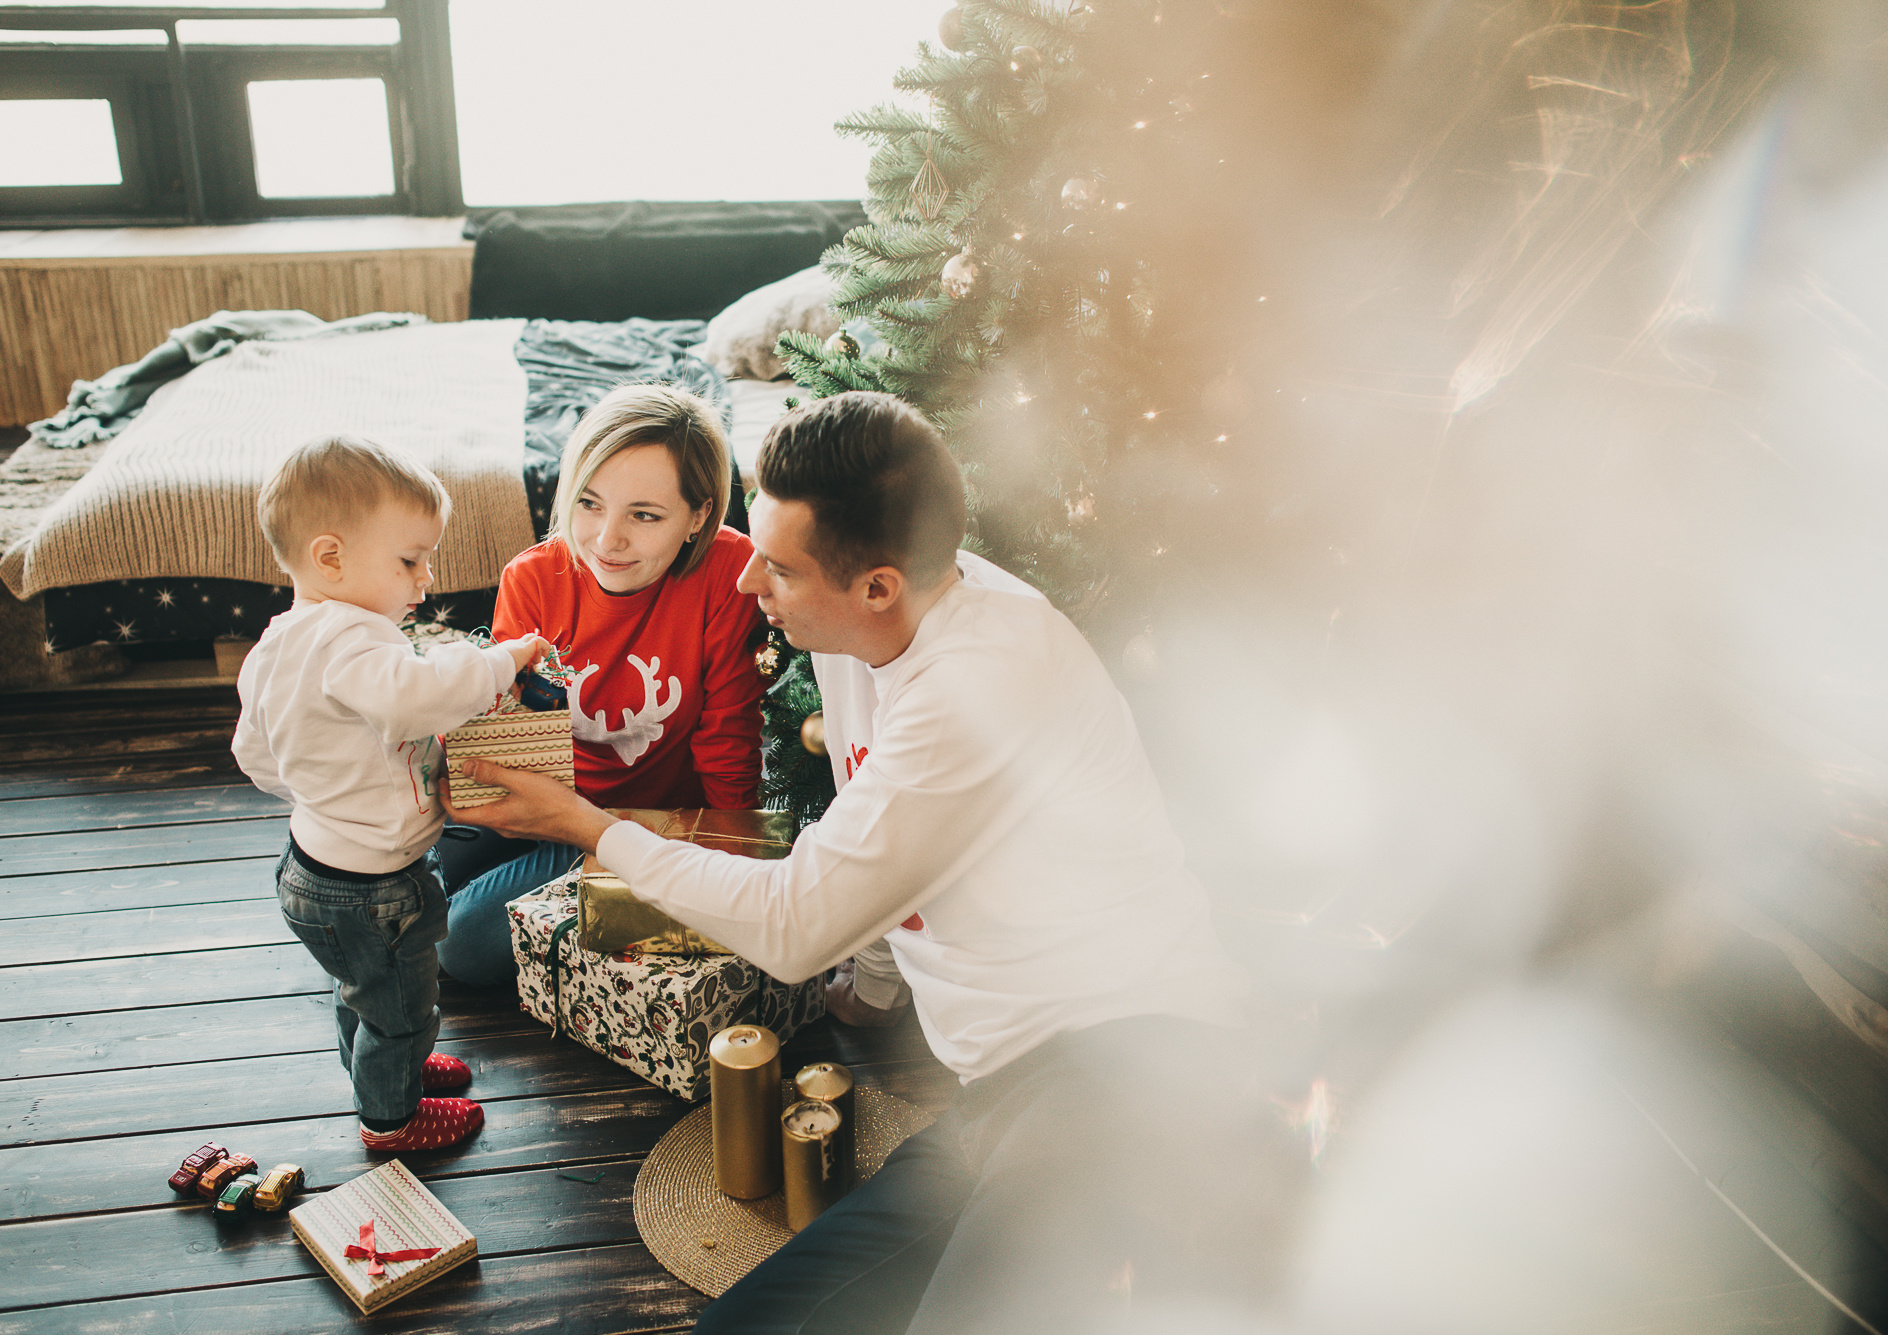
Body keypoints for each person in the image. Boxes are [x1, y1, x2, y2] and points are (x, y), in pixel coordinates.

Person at [448, 392, 1302, 1332]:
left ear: (877, 585)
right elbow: (883, 833)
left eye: (775, 566)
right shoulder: (854, 632)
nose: (743, 586)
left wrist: (585, 823)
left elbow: (795, 924)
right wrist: (879, 986)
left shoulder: (981, 681)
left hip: (1134, 1067)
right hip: (1005, 1095)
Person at [231, 435, 549, 1152]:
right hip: (373, 888)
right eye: (409, 560)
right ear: (330, 557)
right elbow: (421, 700)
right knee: (404, 1006)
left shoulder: (280, 641)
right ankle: (391, 1118)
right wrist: (499, 659)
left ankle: (380, 1067)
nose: (426, 580)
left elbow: (254, 753)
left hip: (309, 864)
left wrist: (322, 794)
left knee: (363, 991)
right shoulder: (353, 638)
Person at [434, 382, 766, 988]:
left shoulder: (725, 573)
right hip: (552, 795)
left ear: (698, 516)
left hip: (646, 823)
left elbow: (730, 741)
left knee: (457, 943)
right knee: (420, 879)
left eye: (644, 516)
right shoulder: (533, 579)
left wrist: (722, 869)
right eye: (589, 504)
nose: (607, 540)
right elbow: (518, 735)